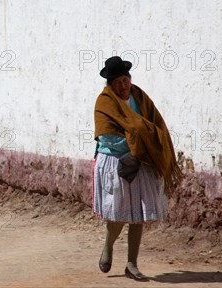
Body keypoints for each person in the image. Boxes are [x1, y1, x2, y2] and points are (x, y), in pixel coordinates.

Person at [92, 56, 183, 281]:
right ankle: (108, 246)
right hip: (115, 162)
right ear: (110, 85)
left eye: (126, 81)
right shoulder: (104, 102)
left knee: (138, 214)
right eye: (118, 83)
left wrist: (145, 144)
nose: (123, 87)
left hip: (142, 161)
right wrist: (141, 142)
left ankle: (132, 264)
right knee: (118, 214)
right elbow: (108, 137)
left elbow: (155, 124)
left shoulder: (139, 96)